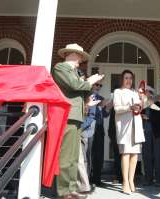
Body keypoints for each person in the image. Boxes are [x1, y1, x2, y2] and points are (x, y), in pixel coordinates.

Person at [52, 43, 104, 199]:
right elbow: (74, 85)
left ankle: (72, 188)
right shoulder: (61, 68)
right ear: (71, 54)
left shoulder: (74, 71)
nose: (81, 60)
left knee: (73, 156)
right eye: (80, 56)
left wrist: (88, 93)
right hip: (67, 116)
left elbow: (80, 90)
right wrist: (90, 80)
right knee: (66, 156)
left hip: (76, 116)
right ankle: (64, 191)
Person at [113, 70, 145, 194]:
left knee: (135, 154)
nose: (128, 80)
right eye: (126, 78)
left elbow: (140, 108)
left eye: (130, 78)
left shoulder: (135, 92)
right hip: (124, 127)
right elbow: (117, 109)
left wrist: (142, 101)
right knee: (126, 153)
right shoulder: (118, 92)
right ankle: (125, 182)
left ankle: (131, 180)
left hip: (136, 126)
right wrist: (129, 107)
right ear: (122, 79)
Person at [90, 82, 112, 187]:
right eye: (96, 85)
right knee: (89, 154)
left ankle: (97, 179)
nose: (98, 87)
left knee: (99, 155)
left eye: (100, 85)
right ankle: (87, 179)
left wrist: (108, 108)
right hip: (89, 128)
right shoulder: (88, 95)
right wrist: (102, 103)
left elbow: (105, 114)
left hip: (99, 129)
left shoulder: (101, 98)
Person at [141, 86, 157, 186]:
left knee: (155, 156)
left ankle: (156, 177)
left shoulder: (156, 103)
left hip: (155, 133)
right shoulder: (142, 104)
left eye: (147, 92)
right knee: (146, 156)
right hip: (144, 133)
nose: (145, 94)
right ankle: (148, 178)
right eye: (145, 92)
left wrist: (148, 118)